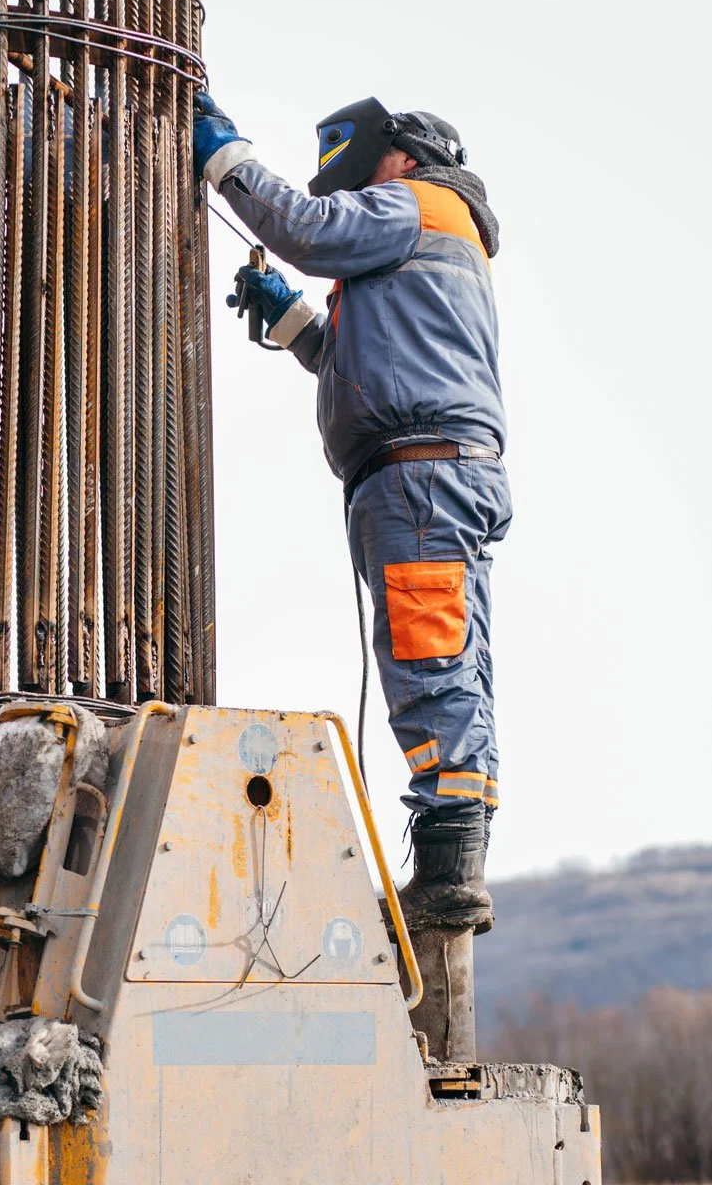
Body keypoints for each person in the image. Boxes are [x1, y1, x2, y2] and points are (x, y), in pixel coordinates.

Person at [194, 94, 508, 934]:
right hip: (432, 472)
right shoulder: (430, 239)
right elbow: (356, 361)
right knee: (446, 654)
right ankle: (453, 856)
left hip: (419, 478)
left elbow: (302, 225)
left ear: (400, 154)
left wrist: (223, 155)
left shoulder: (416, 203)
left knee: (426, 653)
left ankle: (448, 871)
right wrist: (289, 314)